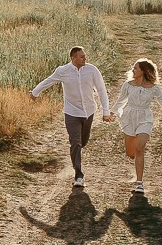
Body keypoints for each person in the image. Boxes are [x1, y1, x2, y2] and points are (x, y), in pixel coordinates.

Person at [31, 45, 112, 187]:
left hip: (89, 111)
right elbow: (48, 81)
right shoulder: (63, 71)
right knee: (75, 142)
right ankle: (78, 175)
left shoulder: (92, 70)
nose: (84, 58)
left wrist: (106, 111)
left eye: (84, 55)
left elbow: (101, 89)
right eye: (81, 56)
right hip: (71, 112)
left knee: (83, 142)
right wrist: (34, 93)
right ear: (73, 58)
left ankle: (78, 157)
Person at [113, 57, 162, 194]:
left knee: (139, 149)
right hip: (129, 117)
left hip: (145, 118)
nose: (133, 70)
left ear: (143, 71)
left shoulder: (154, 88)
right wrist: (111, 113)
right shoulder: (128, 85)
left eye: (136, 68)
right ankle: (135, 159)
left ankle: (139, 183)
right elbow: (120, 101)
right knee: (130, 152)